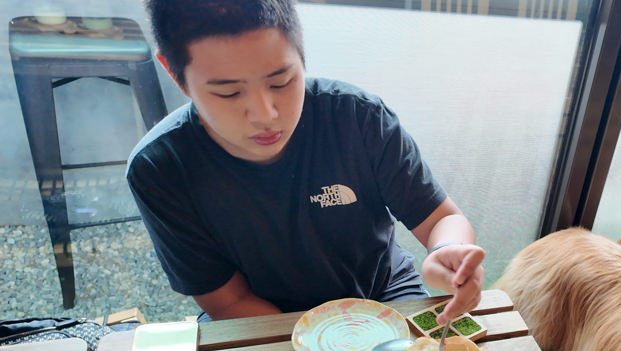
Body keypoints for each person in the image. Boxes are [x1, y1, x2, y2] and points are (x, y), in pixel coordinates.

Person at [128, 0, 484, 323]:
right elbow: (227, 299)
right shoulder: (161, 168)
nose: (266, 114)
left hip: (382, 293)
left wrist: (448, 251)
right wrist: (321, 344)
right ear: (176, 76)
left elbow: (441, 217)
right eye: (229, 92)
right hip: (258, 316)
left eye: (281, 81)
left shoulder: (358, 118)